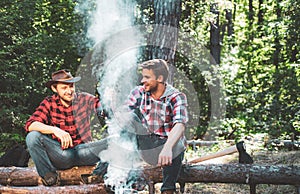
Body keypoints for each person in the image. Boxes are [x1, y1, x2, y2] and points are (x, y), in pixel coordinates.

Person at [24, 69, 108, 186]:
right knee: (32, 137)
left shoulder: (85, 98)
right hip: (62, 154)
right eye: (64, 88)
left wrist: (106, 109)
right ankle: (50, 177)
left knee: (119, 139)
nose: (69, 91)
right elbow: (31, 124)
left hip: (84, 152)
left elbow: (101, 107)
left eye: (71, 86)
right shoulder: (49, 103)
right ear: (55, 88)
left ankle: (97, 175)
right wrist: (55, 130)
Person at [125, 59, 188, 194]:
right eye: (143, 76)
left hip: (169, 150)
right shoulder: (139, 92)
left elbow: (180, 124)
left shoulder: (176, 96)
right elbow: (124, 114)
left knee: (177, 144)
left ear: (160, 78)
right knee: (129, 117)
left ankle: (168, 190)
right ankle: (124, 180)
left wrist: (167, 148)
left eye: (147, 77)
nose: (142, 80)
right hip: (148, 145)